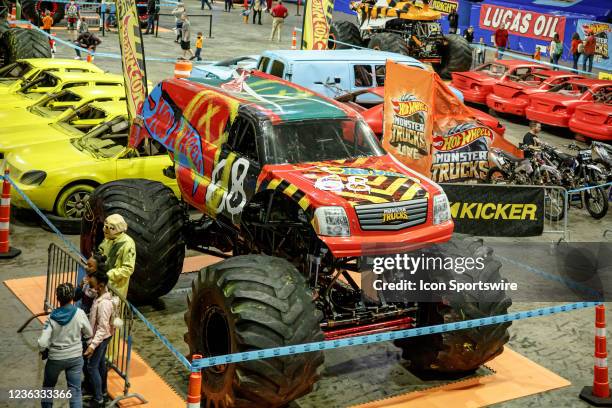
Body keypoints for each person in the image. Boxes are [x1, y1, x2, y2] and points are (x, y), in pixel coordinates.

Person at [38, 283, 92, 408]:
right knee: (75, 392)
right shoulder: (80, 313)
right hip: (75, 358)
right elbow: (89, 333)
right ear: (73, 296)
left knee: (48, 389)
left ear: (57, 298)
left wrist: (43, 350)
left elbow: (42, 342)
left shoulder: (51, 317)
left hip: (55, 358)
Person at [84, 272, 114, 408]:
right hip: (102, 337)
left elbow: (102, 328)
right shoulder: (99, 296)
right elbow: (88, 293)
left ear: (101, 286)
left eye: (92, 282)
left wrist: (92, 346)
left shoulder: (104, 305)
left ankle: (98, 399)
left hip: (100, 338)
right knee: (101, 365)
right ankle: (103, 392)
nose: (90, 283)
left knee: (92, 367)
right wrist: (86, 284)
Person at [98, 214, 136, 299]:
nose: (104, 230)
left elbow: (128, 269)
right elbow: (101, 250)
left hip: (116, 287)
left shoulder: (128, 244)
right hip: (103, 283)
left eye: (108, 228)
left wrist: (110, 274)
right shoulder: (108, 238)